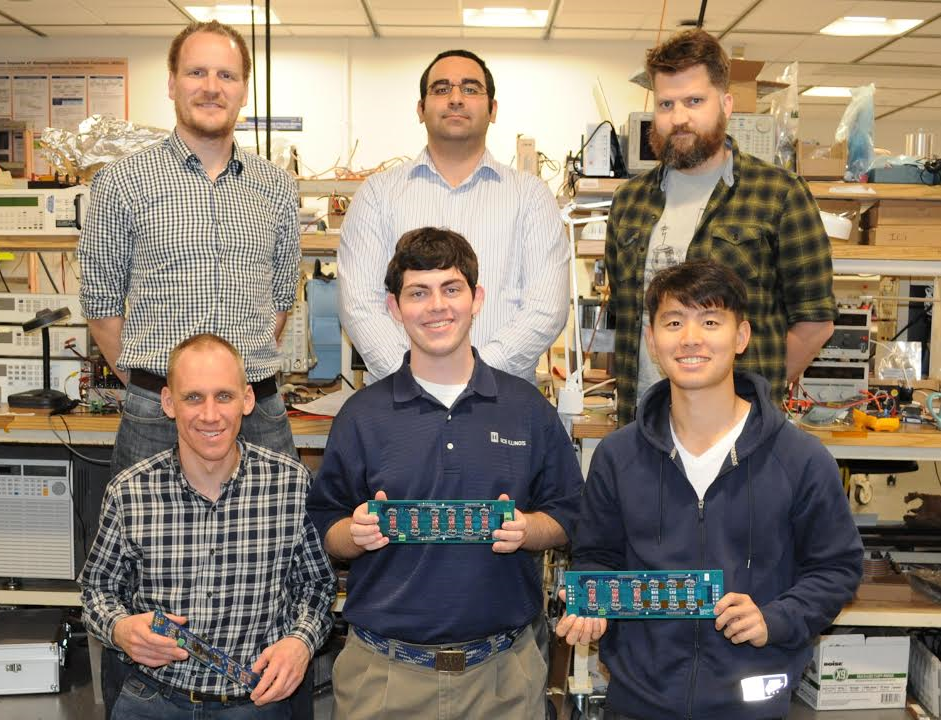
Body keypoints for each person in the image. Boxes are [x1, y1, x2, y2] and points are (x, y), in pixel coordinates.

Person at [557, 260, 863, 720]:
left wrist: (775, 618)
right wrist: (594, 606)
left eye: (711, 321)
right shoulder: (618, 457)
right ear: (651, 340)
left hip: (752, 703)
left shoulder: (800, 458)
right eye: (674, 322)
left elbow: (837, 568)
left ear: (741, 337)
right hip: (639, 702)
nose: (691, 338)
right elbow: (596, 557)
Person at [308, 227, 582, 719]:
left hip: (504, 679)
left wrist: (528, 529)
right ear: (395, 308)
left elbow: (568, 514)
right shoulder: (362, 415)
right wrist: (357, 531)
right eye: (418, 292)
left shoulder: (525, 409)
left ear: (476, 298)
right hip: (384, 681)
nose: (437, 306)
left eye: (451, 289)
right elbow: (327, 528)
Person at [78, 19, 301, 479]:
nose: (211, 88)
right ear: (172, 83)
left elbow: (280, 300)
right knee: (149, 545)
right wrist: (163, 389)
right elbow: (100, 306)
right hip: (155, 411)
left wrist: (233, 388)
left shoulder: (277, 187)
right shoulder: (121, 183)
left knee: (271, 544)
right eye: (197, 72)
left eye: (227, 75)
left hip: (256, 409)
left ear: (244, 90)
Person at [81, 333, 336, 719]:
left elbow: (317, 587)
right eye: (193, 397)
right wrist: (119, 629)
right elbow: (97, 590)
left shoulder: (291, 485)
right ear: (169, 403)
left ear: (248, 399)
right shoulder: (129, 491)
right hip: (154, 699)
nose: (210, 415)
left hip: (255, 702)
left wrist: (300, 643)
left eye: (224, 396)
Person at [606, 29, 836, 427]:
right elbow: (627, 317)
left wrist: (756, 392)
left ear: (726, 104)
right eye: (666, 104)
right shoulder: (629, 203)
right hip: (644, 423)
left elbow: (815, 322)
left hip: (743, 432)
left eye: (694, 101)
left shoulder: (779, 194)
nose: (679, 118)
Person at [338, 49, 568, 386]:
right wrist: (415, 380)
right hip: (400, 402)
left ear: (493, 110)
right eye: (442, 89)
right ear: (421, 109)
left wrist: (475, 377)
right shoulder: (377, 194)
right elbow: (360, 304)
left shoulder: (530, 197)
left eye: (471, 89)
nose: (456, 98)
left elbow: (546, 308)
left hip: (500, 399)